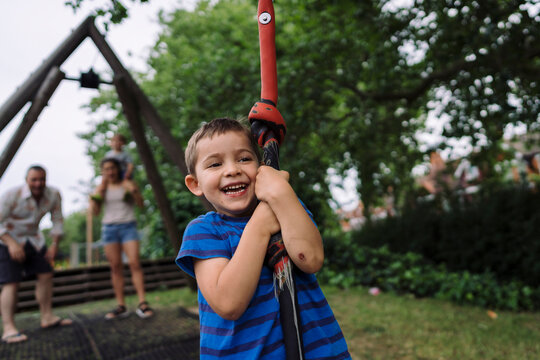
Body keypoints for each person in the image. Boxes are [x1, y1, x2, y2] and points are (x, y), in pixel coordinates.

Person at [176, 118, 350, 359]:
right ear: (195, 184)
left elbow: (310, 259)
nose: (232, 169)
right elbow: (229, 303)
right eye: (215, 164)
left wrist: (279, 193)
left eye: (244, 158)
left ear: (261, 169)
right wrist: (260, 226)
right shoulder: (204, 231)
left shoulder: (285, 205)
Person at [0, 165, 72, 344]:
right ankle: (9, 328)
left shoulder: (53, 194)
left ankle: (47, 317)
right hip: (8, 238)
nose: (38, 184)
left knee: (46, 273)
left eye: (42, 179)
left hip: (34, 239)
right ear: (27, 180)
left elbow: (57, 220)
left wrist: (54, 244)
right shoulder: (11, 195)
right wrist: (11, 244)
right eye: (34, 180)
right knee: (11, 281)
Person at [90, 158, 153, 320]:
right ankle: (121, 305)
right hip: (109, 229)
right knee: (115, 267)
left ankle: (142, 303)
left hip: (128, 226)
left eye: (112, 168)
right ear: (102, 172)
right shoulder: (101, 188)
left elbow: (141, 205)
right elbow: (95, 212)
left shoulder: (128, 184)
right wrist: (98, 195)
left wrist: (134, 191)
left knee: (134, 263)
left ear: (118, 169)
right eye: (106, 169)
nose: (110, 172)